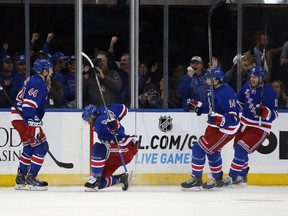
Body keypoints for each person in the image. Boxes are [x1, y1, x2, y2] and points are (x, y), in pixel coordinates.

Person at [181, 67, 240, 190]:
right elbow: (212, 107)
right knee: (212, 151)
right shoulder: (212, 89)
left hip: (225, 129)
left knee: (199, 148)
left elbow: (233, 116)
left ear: (218, 80)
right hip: (215, 127)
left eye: (210, 78)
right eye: (207, 78)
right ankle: (217, 179)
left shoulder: (227, 93)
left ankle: (196, 178)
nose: (207, 81)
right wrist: (199, 106)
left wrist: (220, 120)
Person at [222, 66, 278, 187]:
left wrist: (264, 112)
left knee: (241, 149)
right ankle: (242, 175)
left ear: (261, 78)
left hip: (259, 127)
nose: (252, 79)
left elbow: (275, 114)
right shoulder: (246, 86)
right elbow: (239, 104)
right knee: (239, 149)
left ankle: (232, 177)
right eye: (251, 76)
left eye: (255, 77)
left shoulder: (269, 92)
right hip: (244, 124)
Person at [11, 59, 53, 191]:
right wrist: (32, 123)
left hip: (18, 117)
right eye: (50, 69)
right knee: (42, 146)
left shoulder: (34, 80)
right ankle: (32, 178)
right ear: (44, 71)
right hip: (25, 117)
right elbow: (28, 105)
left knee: (29, 147)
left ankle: (21, 177)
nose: (52, 71)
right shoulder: (37, 82)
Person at [82, 103, 138, 192]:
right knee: (99, 185)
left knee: (98, 148)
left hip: (125, 148)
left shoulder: (99, 122)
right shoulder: (106, 110)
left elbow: (116, 130)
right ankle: (121, 179)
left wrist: (116, 127)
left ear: (94, 115)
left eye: (89, 119)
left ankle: (95, 178)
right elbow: (124, 109)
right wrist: (115, 120)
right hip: (115, 153)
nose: (89, 123)